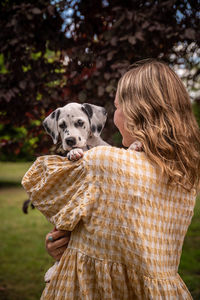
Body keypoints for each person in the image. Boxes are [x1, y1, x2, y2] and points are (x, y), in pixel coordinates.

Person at [22, 59, 200, 299]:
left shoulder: (102, 161)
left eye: (117, 107)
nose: (114, 118)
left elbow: (41, 185)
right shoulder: (186, 176)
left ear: (137, 111)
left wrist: (61, 246)